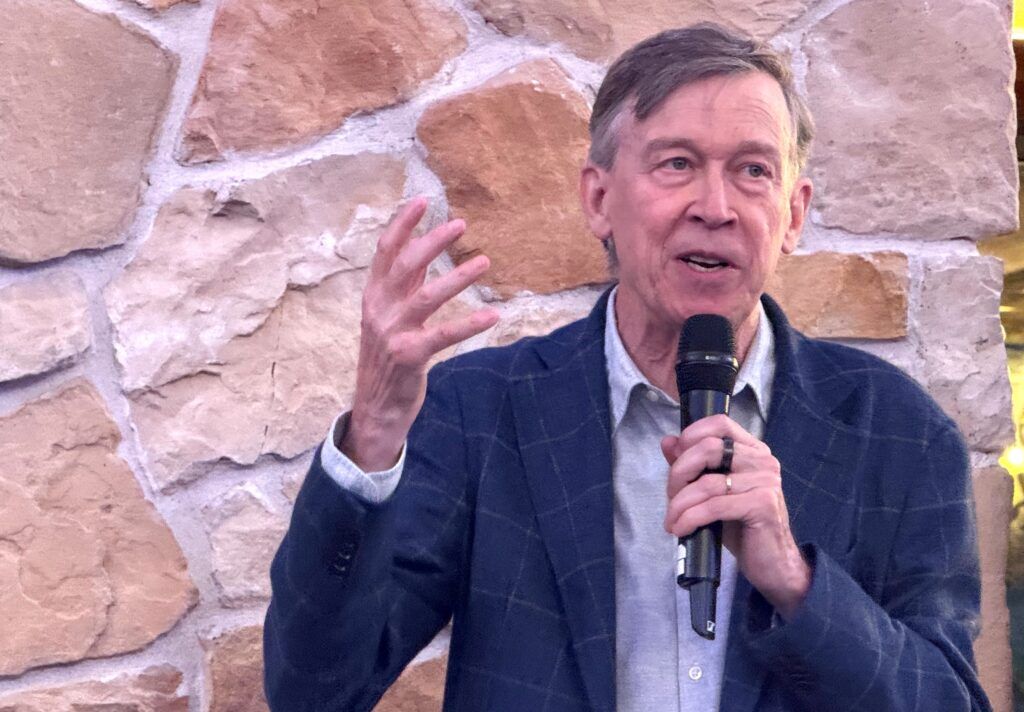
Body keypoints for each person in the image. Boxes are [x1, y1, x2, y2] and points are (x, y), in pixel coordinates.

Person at [264, 23, 991, 712]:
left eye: (752, 171)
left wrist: (795, 582)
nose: (716, 206)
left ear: (793, 215)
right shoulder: (480, 415)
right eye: (677, 163)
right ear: (599, 198)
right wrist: (373, 437)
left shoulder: (901, 434)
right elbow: (315, 691)